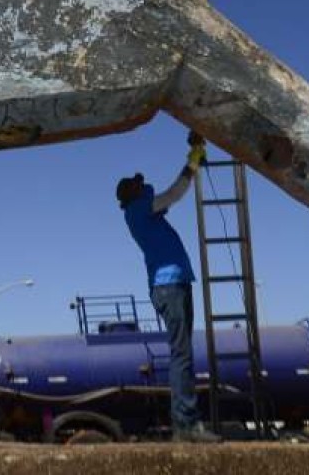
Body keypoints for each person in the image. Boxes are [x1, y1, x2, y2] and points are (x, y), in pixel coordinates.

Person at [116, 132, 218, 443]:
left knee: (181, 353)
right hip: (170, 286)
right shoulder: (139, 210)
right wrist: (193, 162)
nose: (143, 183)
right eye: (137, 184)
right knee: (182, 354)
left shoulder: (142, 212)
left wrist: (193, 161)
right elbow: (174, 193)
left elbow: (166, 198)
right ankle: (186, 425)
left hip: (173, 285)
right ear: (131, 196)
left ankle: (185, 423)